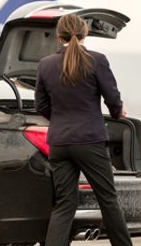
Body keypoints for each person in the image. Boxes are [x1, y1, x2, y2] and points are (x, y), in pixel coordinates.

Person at [34, 13, 132, 246]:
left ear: (59, 37)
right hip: (90, 141)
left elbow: (41, 105)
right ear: (85, 33)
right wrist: (118, 113)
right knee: (107, 200)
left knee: (65, 204)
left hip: (59, 143)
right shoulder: (97, 60)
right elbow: (112, 98)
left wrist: (58, 120)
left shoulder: (45, 64)